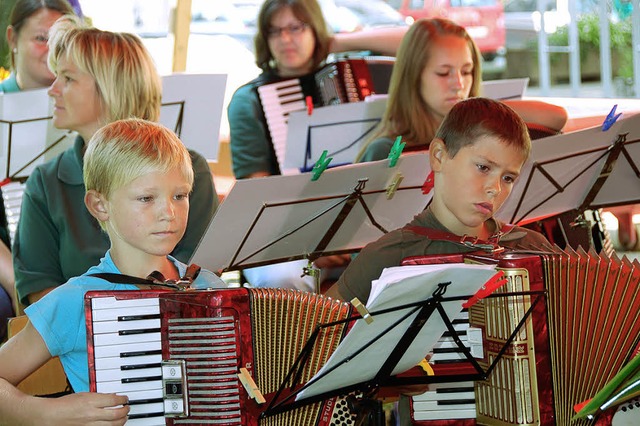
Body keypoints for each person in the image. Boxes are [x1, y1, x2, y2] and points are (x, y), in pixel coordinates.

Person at [0, 117, 226, 424]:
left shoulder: (211, 288)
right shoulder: (76, 300)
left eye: (180, 195)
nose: (168, 213)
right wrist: (47, 413)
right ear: (99, 205)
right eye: (147, 198)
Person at [12, 17, 219, 307]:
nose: (53, 89)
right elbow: (39, 293)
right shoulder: (46, 182)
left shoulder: (190, 168)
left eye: (68, 78)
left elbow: (201, 280)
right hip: (80, 345)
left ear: (111, 88)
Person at [227, 0, 405, 290]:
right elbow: (257, 191)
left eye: (297, 27)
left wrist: (332, 42)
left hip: (362, 228)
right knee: (281, 279)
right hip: (285, 240)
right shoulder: (249, 100)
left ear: (316, 29)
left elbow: (414, 42)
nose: (285, 39)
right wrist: (312, 244)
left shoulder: (346, 74)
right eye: (275, 31)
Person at [325, 97, 550, 305]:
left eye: (508, 178)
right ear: (439, 156)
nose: (495, 188)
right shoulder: (389, 256)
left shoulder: (532, 248)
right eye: (483, 167)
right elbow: (315, 336)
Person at [355, 18, 569, 163]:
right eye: (443, 73)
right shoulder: (386, 151)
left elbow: (557, 117)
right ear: (413, 77)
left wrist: (482, 111)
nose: (458, 84)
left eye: (466, 71)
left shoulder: (476, 128)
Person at [1, 0, 75, 93]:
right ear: (13, 39)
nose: (53, 50)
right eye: (41, 38)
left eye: (61, 40)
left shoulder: (89, 102)